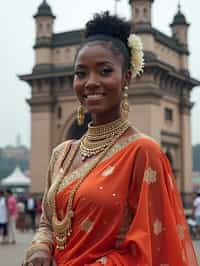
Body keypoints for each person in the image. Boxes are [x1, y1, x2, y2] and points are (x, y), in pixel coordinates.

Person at [22, 11, 198, 266]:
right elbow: (48, 223)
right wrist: (40, 250)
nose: (91, 82)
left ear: (126, 77)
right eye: (81, 73)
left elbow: (150, 244)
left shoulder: (143, 152)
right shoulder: (61, 154)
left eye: (104, 71)